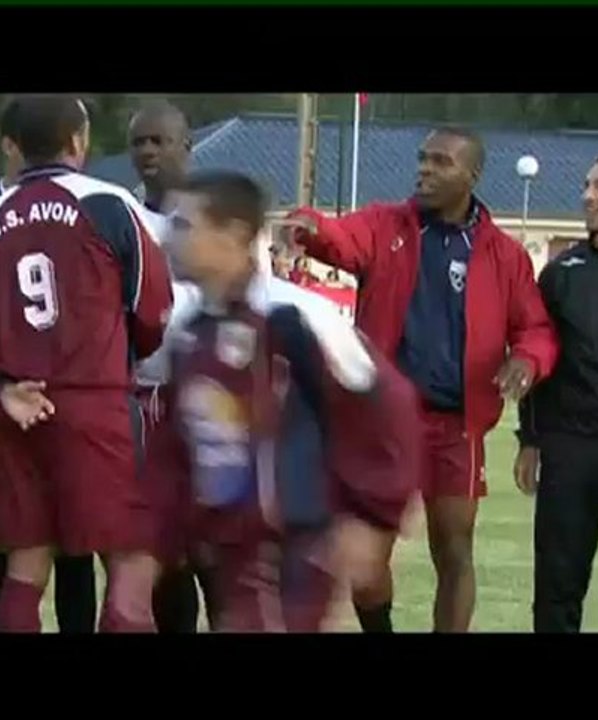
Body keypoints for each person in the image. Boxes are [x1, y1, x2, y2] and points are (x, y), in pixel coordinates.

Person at [285, 126, 559, 633]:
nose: (425, 169)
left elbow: (536, 328)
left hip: (456, 425)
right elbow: (340, 238)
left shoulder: (504, 254)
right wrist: (308, 225)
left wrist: (526, 359)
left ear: (472, 175)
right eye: (422, 159)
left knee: (455, 551)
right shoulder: (387, 223)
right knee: (367, 557)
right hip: (383, 422)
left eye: (440, 162)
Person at [0, 94, 173, 633]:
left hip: (21, 409)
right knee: (128, 562)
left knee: (25, 566)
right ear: (77, 141)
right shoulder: (109, 203)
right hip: (98, 405)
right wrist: (120, 354)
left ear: (16, 146)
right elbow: (154, 307)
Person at [157, 169, 419, 631]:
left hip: (295, 545)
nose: (167, 238)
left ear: (233, 235)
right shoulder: (189, 331)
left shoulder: (297, 319)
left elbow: (386, 405)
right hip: (228, 545)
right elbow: (178, 441)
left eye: (183, 225)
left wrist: (375, 516)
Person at [0, 97, 97, 634]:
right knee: (1, 542)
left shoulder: (89, 205)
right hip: (9, 406)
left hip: (66, 403)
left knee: (72, 548)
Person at [127, 101, 212, 632]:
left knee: (215, 549)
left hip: (205, 402)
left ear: (188, 145)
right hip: (138, 402)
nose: (148, 152)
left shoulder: (219, 220)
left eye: (159, 141)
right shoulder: (120, 216)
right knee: (159, 554)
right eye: (139, 142)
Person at [516, 152, 598, 632]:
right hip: (573, 445)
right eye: (589, 184)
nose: (588, 196)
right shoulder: (561, 275)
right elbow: (536, 353)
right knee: (558, 582)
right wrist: (530, 439)